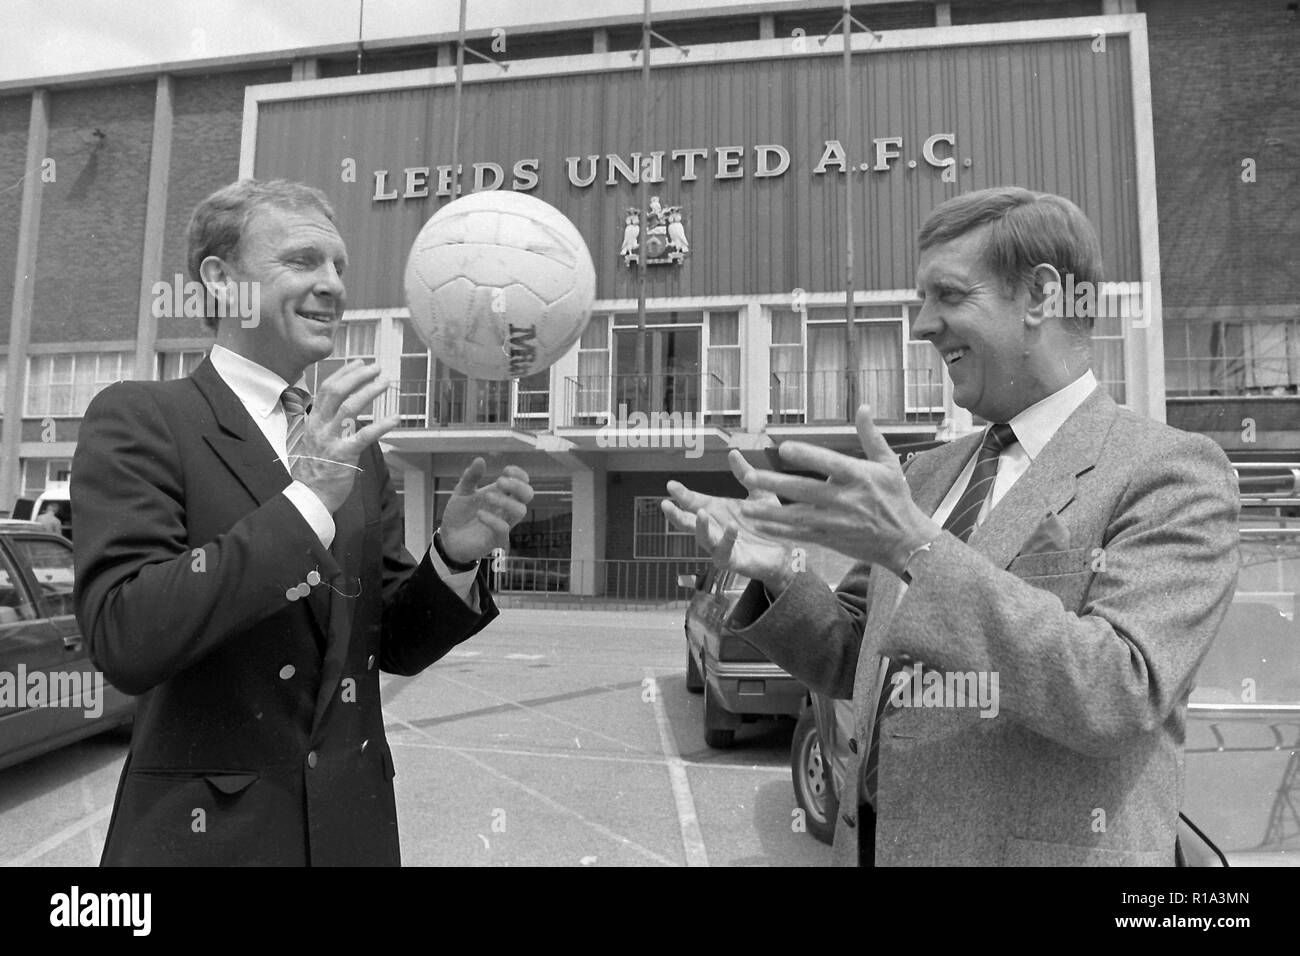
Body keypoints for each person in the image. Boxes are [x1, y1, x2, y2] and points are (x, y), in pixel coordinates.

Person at [663, 187, 1240, 866]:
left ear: (1041, 297)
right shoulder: (928, 473)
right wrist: (781, 572)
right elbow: (860, 659)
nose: (922, 325)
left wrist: (918, 546)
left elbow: (1117, 691)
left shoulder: (1172, 472)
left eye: (949, 295)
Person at [72, 179, 535, 866]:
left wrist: (453, 557)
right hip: (211, 843)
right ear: (221, 282)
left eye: (340, 267)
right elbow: (127, 634)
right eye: (303, 261)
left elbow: (394, 643)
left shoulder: (351, 448)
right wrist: (307, 502)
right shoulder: (143, 418)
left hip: (353, 832)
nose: (333, 285)